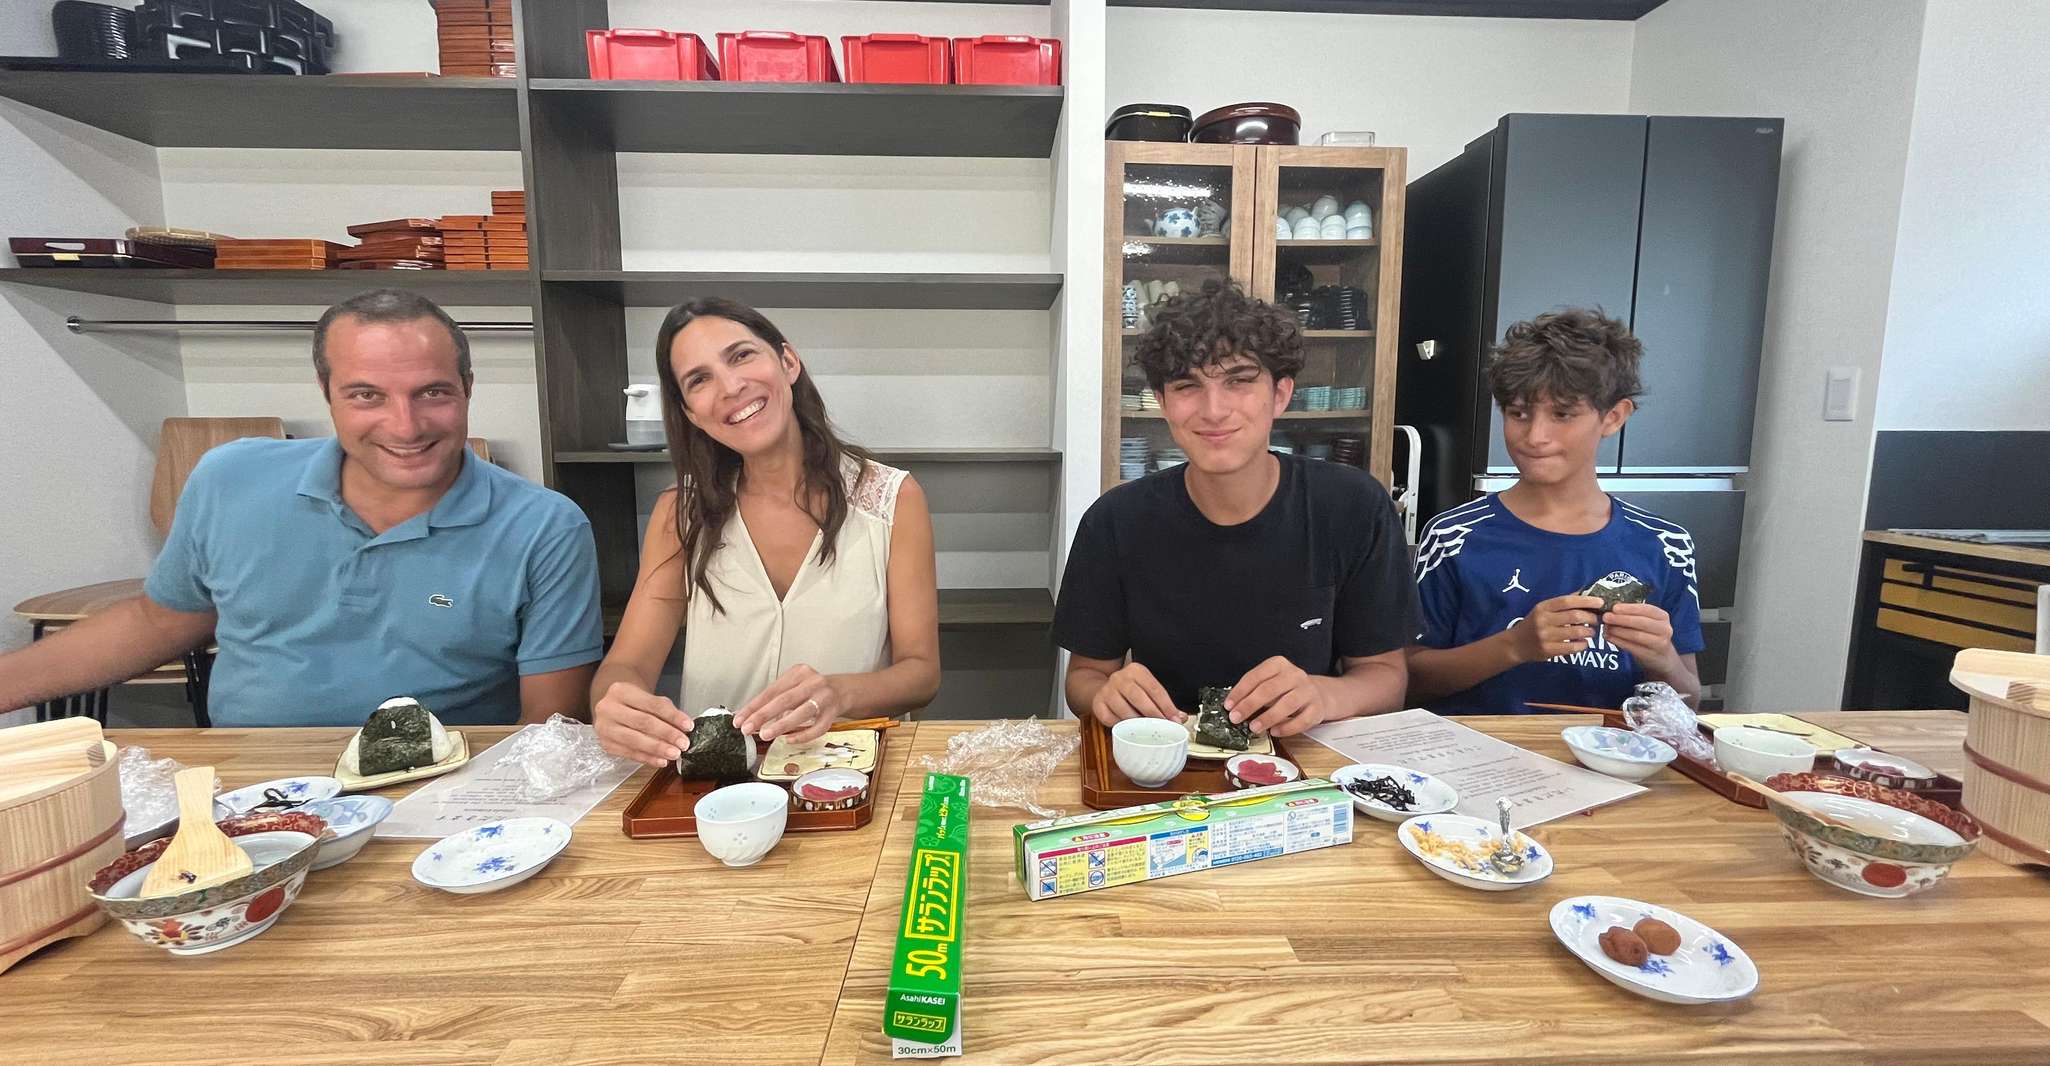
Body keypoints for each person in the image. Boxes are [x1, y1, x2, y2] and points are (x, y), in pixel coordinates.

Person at [0, 289, 604, 726]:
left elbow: (550, 725)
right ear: (327, 394)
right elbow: (160, 620)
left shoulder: (544, 525)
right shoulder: (229, 477)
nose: (406, 424)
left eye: (433, 393)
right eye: (367, 395)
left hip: (443, 789)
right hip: (247, 782)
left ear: (467, 389)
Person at [1054, 279, 1415, 738]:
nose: (1214, 409)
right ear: (1163, 403)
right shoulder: (1115, 522)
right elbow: (1084, 678)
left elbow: (1386, 676)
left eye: (1239, 381)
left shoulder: (1354, 507)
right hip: (1166, 760)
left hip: (1302, 757)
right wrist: (1108, 693)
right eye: (1187, 386)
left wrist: (1322, 695)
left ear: (1280, 394)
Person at [589, 298, 940, 768]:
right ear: (690, 412)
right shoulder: (681, 513)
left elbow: (921, 673)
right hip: (715, 789)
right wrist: (617, 703)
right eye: (699, 379)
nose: (731, 386)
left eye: (741, 356)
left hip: (848, 778)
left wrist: (839, 693)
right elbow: (626, 664)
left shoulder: (893, 498)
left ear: (788, 361)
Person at [1405, 308, 1704, 714]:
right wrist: (1516, 645)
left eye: (1563, 414)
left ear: (1614, 417)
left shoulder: (1664, 544)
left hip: (1614, 765)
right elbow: (1410, 681)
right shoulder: (1454, 536)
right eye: (1518, 413)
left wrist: (1662, 658)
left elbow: (1689, 699)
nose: (1535, 436)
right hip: (1478, 763)